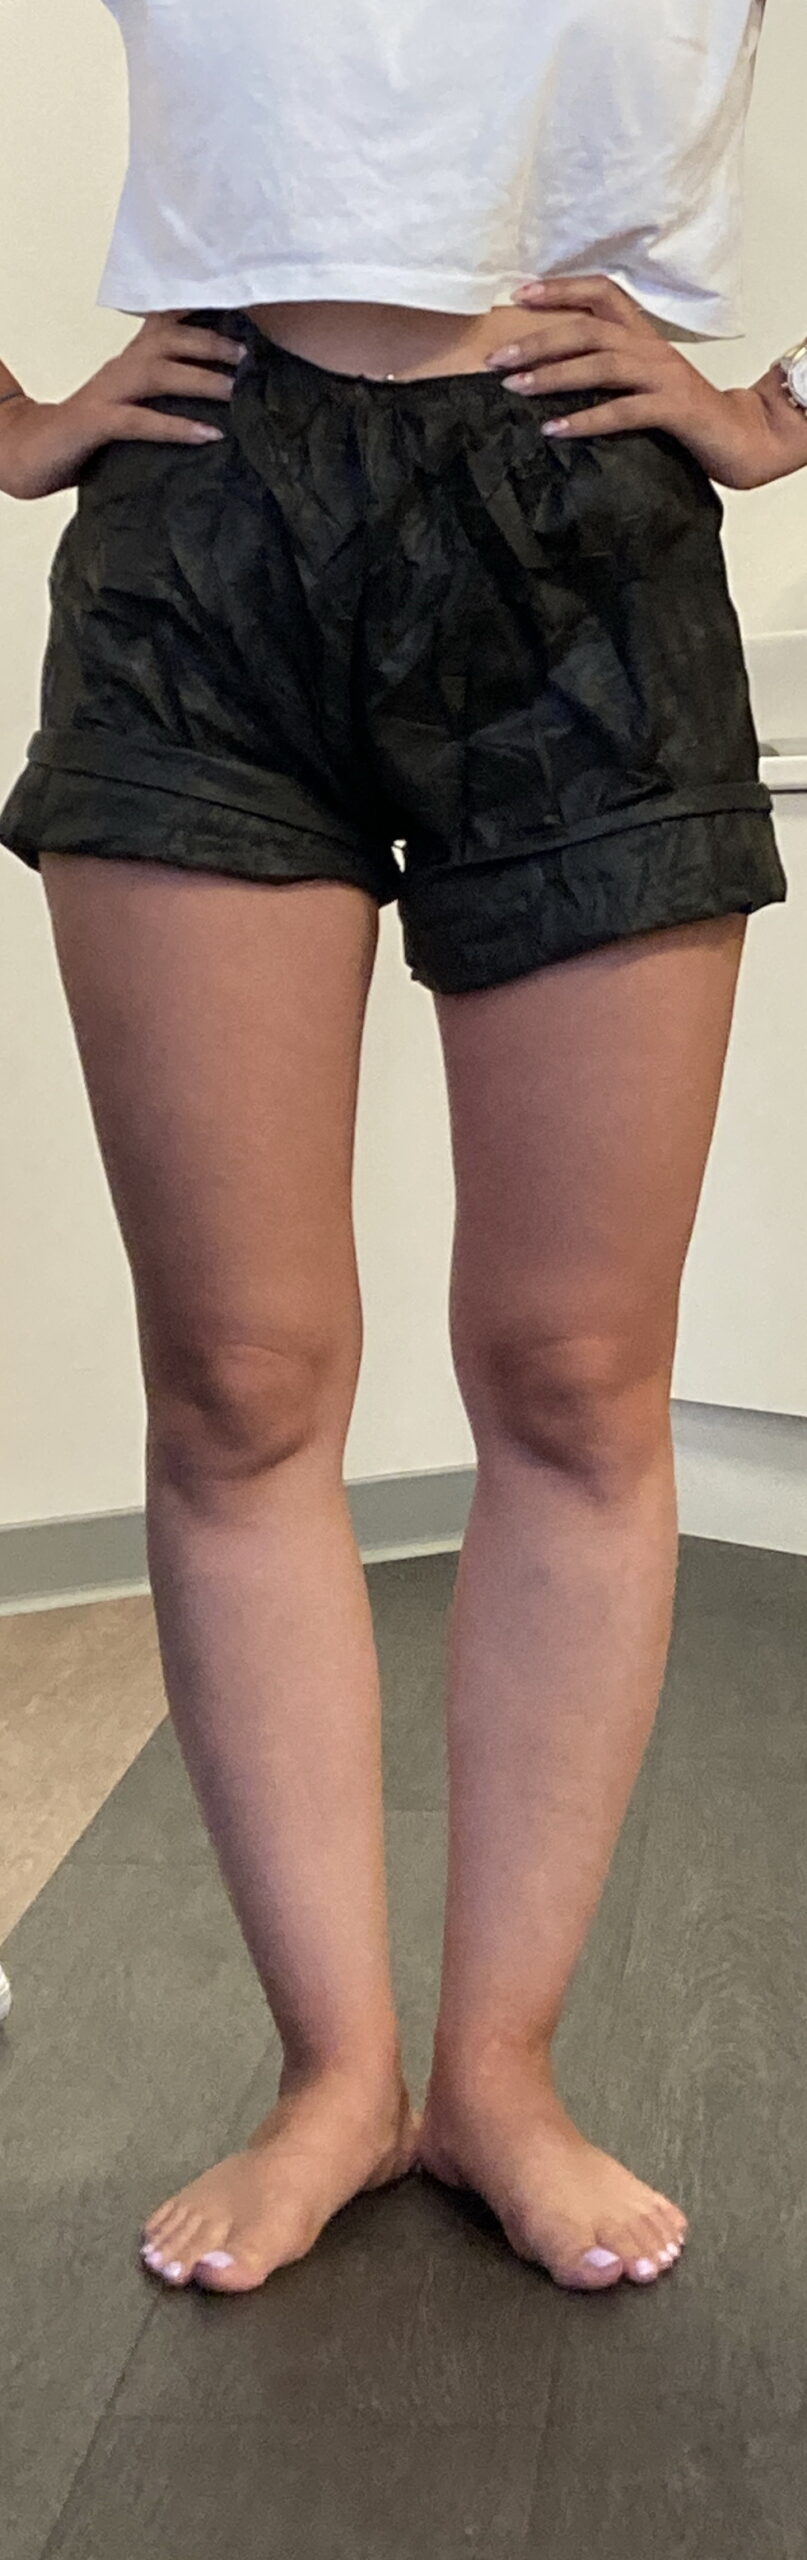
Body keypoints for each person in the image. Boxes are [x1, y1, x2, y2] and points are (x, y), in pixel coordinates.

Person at [0, 0, 802, 2301]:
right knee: (240, 1382)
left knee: (570, 1376)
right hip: (203, 533)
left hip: (581, 527)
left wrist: (780, 406)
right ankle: (335, 2073)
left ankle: (499, 2071)